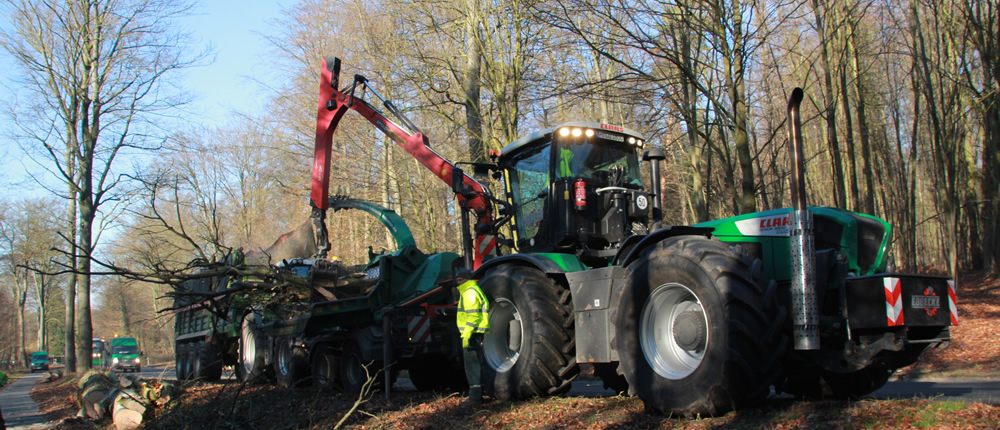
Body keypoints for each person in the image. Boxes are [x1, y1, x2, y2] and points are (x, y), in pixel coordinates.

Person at [455, 267, 490, 405]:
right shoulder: (471, 290)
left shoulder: (469, 293)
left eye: (460, 280)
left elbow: (473, 315)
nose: (458, 283)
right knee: (476, 363)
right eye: (457, 280)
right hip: (474, 332)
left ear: (467, 279)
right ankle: (479, 393)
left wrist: (467, 334)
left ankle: (475, 397)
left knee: (472, 364)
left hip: (472, 333)